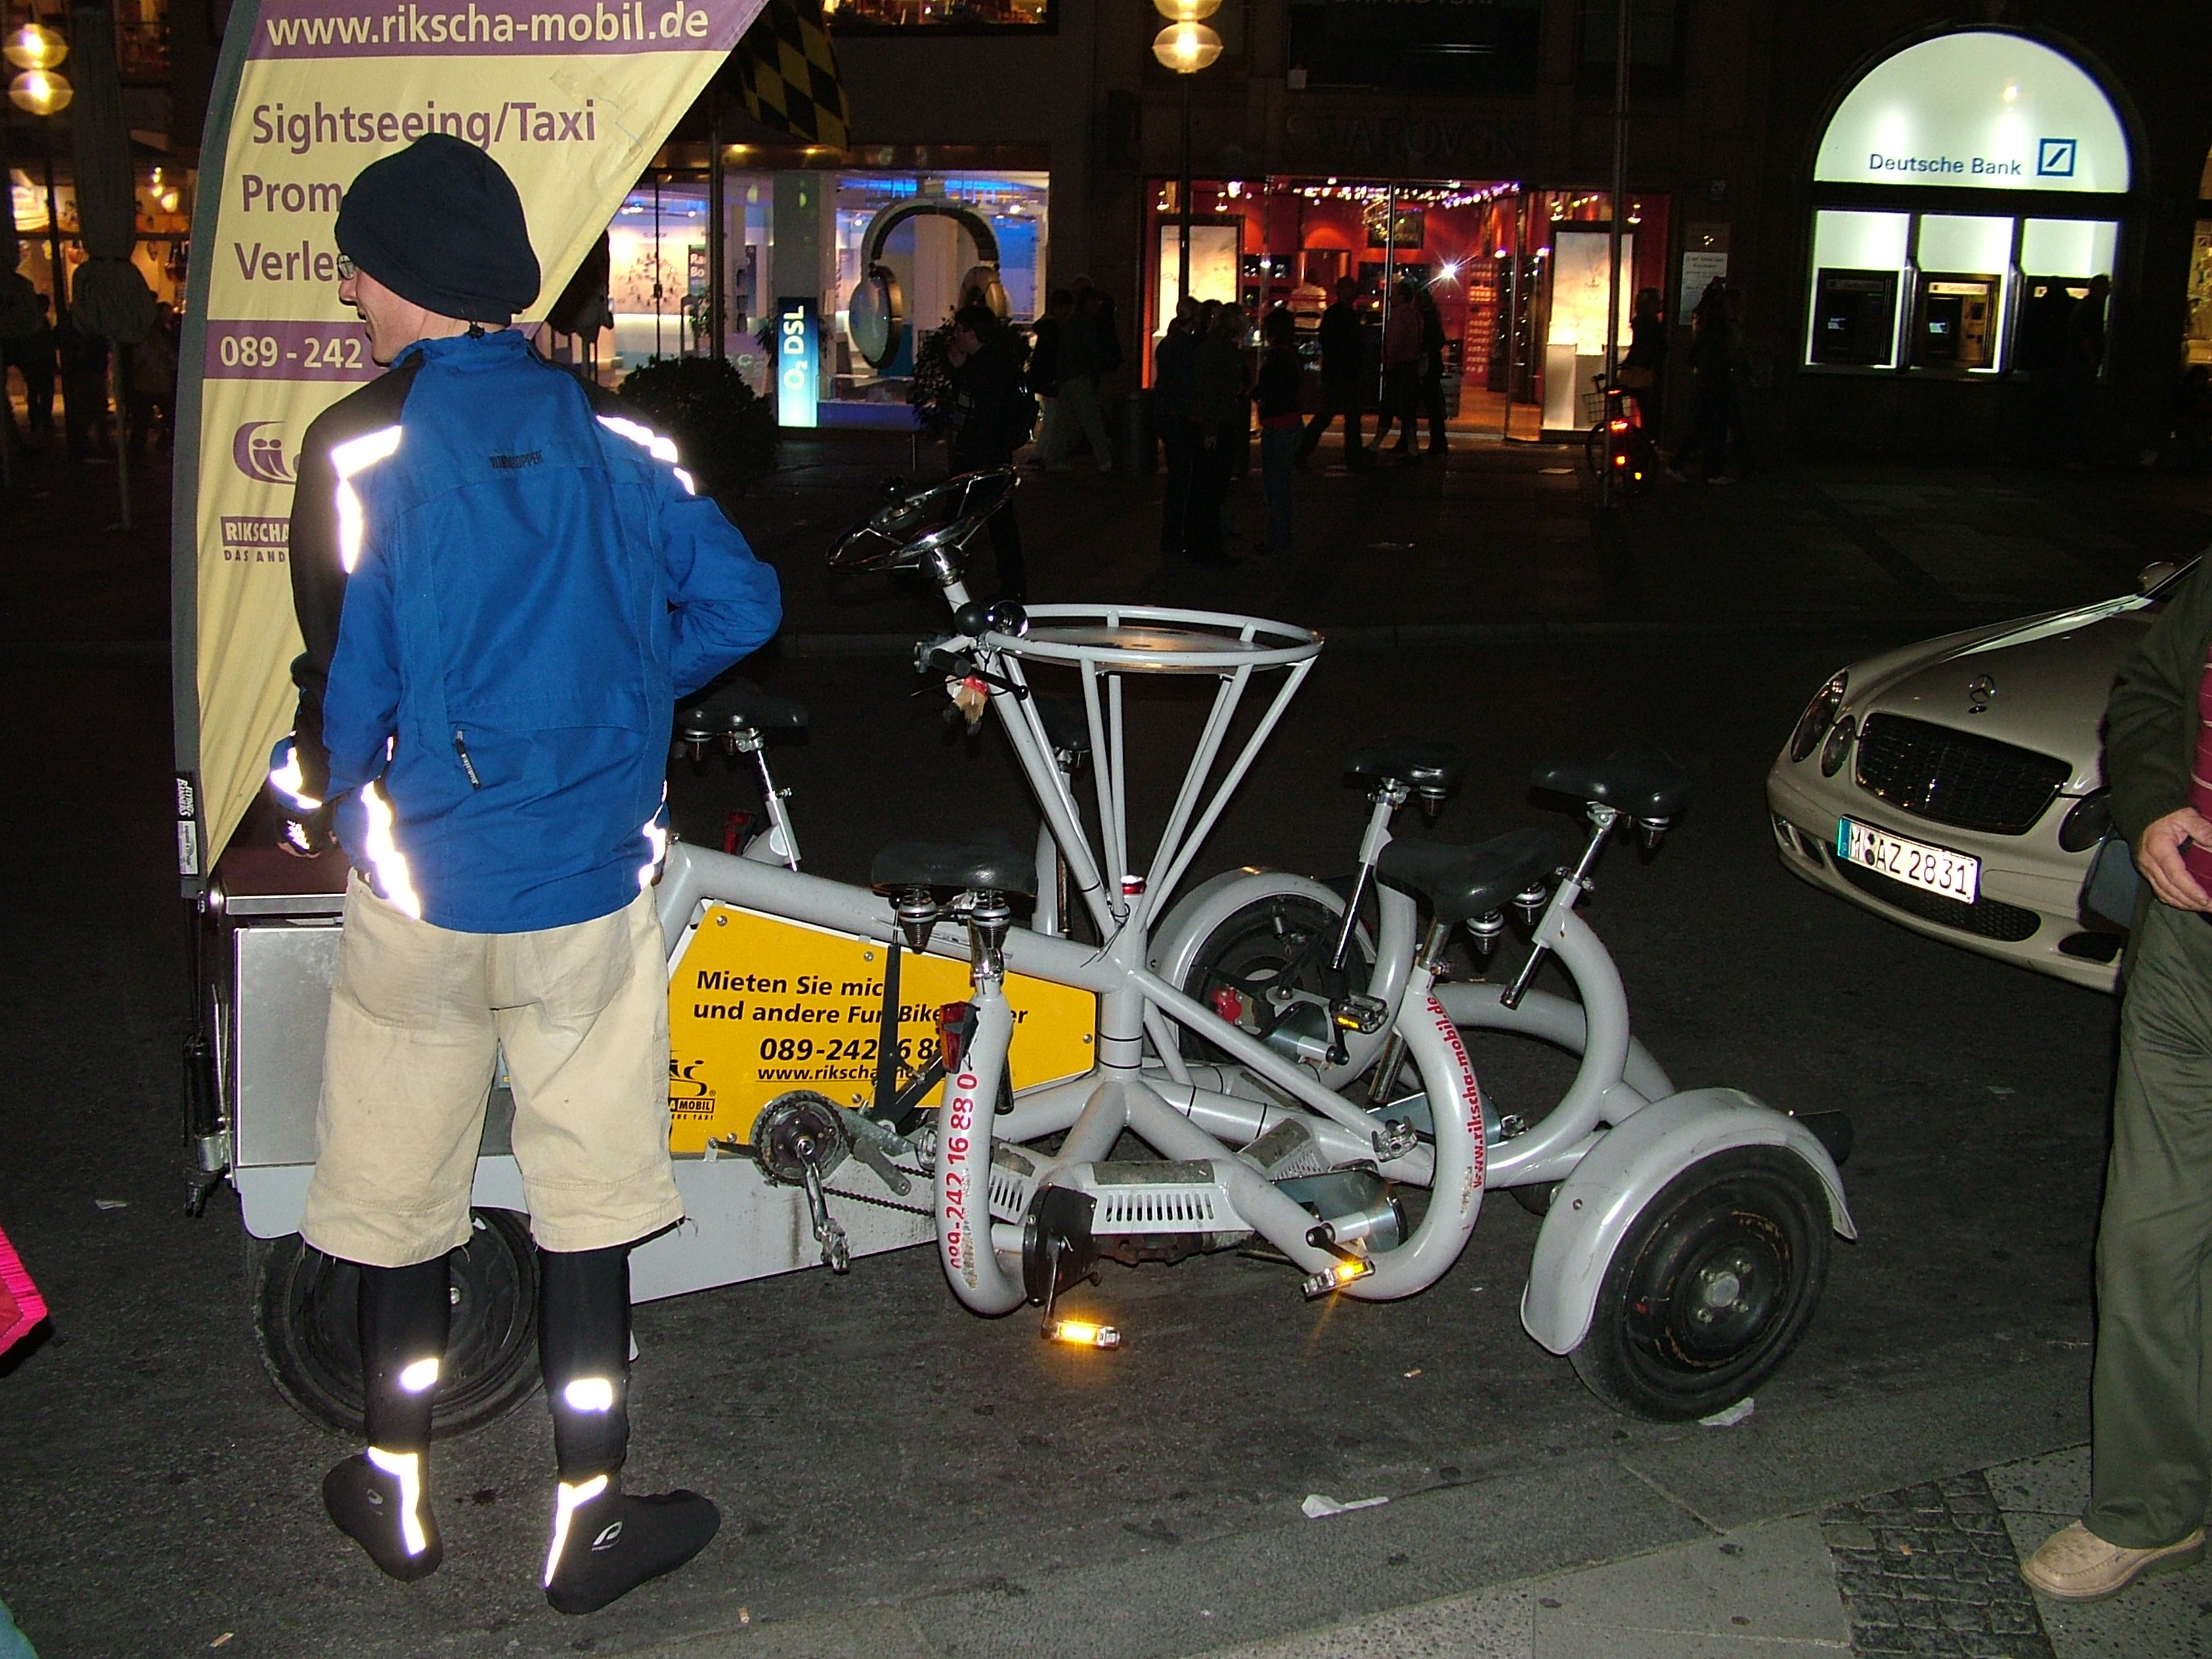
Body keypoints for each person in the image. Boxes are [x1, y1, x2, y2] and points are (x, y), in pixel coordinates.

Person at [268, 134, 781, 1615]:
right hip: (586, 893)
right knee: (590, 1206)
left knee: (396, 1195)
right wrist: (623, 691)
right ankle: (588, 1516)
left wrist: (346, 786)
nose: (349, 295)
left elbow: (342, 672)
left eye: (357, 272)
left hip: (419, 888)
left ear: (410, 278)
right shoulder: (617, 441)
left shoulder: (356, 447)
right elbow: (741, 603)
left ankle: (393, 1485)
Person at [2020, 554, 2212, 1602]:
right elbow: (2149, 689)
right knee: (2147, 1238)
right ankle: (2151, 1506)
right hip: (2189, 951)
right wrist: (2148, 809)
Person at [944, 301, 1032, 600]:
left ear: (971, 333)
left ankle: (939, 578)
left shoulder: (980, 367)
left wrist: (959, 372)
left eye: (960, 330)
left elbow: (975, 410)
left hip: (978, 455)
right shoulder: (999, 361)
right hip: (996, 453)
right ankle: (1013, 585)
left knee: (954, 520)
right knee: (1001, 523)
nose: (956, 336)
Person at [1186, 301, 1247, 567]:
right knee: (1212, 488)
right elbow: (1211, 392)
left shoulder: (1210, 349)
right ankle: (1208, 547)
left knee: (1204, 488)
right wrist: (1211, 428)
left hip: (1210, 424)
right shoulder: (1223, 352)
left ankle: (1199, 543)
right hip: (1217, 425)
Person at [1668, 277, 1741, 483]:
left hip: (1707, 382)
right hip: (1715, 383)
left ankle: (1682, 465)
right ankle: (1709, 471)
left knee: (1701, 427)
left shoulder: (1706, 327)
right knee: (1713, 428)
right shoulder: (1719, 333)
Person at [1296, 276, 1369, 471]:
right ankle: (1353, 457)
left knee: (1329, 415)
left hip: (1337, 372)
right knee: (1347, 417)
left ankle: (1302, 452)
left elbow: (1327, 342)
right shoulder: (1348, 316)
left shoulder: (1334, 314)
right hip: (1344, 373)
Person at [1051, 280, 1116, 475]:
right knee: (1091, 420)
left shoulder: (1074, 323)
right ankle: (1105, 460)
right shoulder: (1083, 324)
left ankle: (1054, 459)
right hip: (1079, 377)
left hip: (1070, 377)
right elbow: (1086, 353)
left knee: (1063, 422)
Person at [1252, 306, 1302, 559]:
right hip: (1291, 422)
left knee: (1275, 487)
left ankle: (1278, 540)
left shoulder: (1275, 359)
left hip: (1277, 424)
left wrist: (1250, 393)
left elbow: (1265, 390)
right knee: (1281, 485)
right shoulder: (1293, 356)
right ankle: (1280, 539)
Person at [1153, 295, 1200, 558]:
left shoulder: (1168, 344)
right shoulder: (1185, 347)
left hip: (1168, 415)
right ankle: (1175, 537)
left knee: (1176, 478)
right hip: (1180, 416)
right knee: (1181, 479)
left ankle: (1171, 537)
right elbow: (1187, 384)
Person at [1378, 275, 1424, 461]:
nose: (1390, 297)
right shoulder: (1415, 316)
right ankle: (1413, 448)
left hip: (1399, 367)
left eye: (1394, 294)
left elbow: (1394, 342)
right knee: (1407, 410)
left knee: (1389, 406)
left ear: (1402, 297)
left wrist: (1388, 362)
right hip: (1410, 366)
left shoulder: (1399, 316)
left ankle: (1375, 445)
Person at [1028, 287, 1073, 470]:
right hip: (1050, 379)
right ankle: (1042, 454)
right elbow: (1052, 357)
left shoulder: (1046, 327)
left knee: (1050, 417)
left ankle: (1041, 454)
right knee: (1052, 419)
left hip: (1043, 378)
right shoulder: (1054, 330)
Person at [127, 301, 178, 461]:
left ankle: (137, 456)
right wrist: (169, 366)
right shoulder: (149, 336)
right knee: (143, 424)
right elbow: (154, 359)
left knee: (147, 423)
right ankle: (136, 457)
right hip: (149, 385)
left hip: (156, 385)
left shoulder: (163, 333)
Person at [56, 309, 110, 461]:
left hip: (91, 370)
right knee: (90, 408)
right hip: (88, 371)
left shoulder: (86, 327)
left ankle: (91, 442)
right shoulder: (83, 329)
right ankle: (86, 442)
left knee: (93, 408)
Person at [3, 294, 56, 443]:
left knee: (38, 392)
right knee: (42, 392)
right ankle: (42, 419)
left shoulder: (33, 323)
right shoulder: (36, 324)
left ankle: (39, 420)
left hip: (36, 363)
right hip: (38, 363)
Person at [1617, 287, 1668, 442]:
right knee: (1650, 407)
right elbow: (1656, 347)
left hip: (1635, 368)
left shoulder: (1639, 322)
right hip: (1644, 370)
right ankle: (1647, 438)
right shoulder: (1651, 323)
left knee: (1644, 405)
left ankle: (1642, 437)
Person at [1413, 279, 1449, 461]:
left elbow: (1435, 340)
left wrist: (1422, 350)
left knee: (1415, 405)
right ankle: (1438, 442)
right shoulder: (1431, 315)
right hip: (1432, 365)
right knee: (1432, 406)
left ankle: (1431, 443)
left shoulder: (1423, 317)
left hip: (1426, 365)